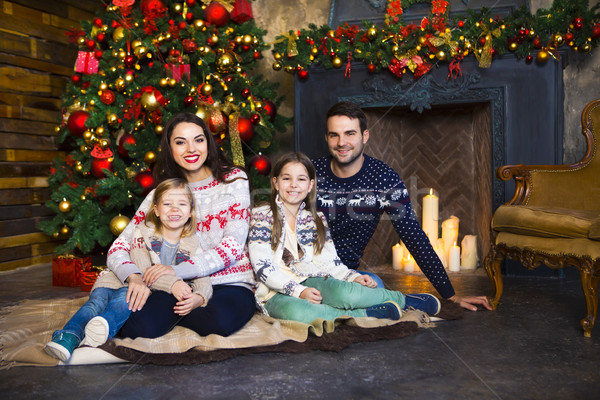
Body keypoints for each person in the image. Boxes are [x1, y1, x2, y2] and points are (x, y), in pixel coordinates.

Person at [312, 101, 492, 311]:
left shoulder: (384, 178)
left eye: (350, 133)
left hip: (346, 276)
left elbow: (413, 236)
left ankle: (361, 303)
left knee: (373, 285)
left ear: (365, 136)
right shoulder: (309, 173)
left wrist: (450, 296)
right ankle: (386, 304)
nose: (342, 142)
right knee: (354, 295)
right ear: (326, 138)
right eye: (334, 135)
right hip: (302, 271)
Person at [107, 112, 256, 339]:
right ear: (170, 148)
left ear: (208, 142)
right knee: (139, 328)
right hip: (175, 285)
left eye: (198, 139)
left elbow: (232, 247)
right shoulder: (162, 194)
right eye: (180, 142)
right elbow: (119, 247)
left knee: (217, 322)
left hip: (229, 281)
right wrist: (134, 277)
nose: (191, 149)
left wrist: (174, 270)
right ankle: (168, 315)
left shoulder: (234, 180)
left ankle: (173, 315)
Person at [248, 152, 442, 324]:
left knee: (344, 292)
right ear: (275, 182)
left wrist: (354, 277)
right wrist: (299, 292)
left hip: (308, 278)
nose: (293, 185)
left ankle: (408, 301)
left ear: (310, 185)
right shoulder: (262, 215)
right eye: (286, 178)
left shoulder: (315, 220)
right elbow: (263, 268)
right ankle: (367, 313)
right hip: (274, 291)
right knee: (300, 313)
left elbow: (328, 261)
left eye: (301, 179)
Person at [45, 178, 212, 361]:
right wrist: (172, 284)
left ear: (191, 211)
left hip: (132, 290)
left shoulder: (194, 243)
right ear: (156, 209)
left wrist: (200, 297)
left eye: (182, 204)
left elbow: (202, 275)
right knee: (94, 304)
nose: (174, 209)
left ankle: (98, 332)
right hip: (118, 280)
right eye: (167, 204)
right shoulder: (143, 232)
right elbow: (143, 268)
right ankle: (67, 336)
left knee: (124, 304)